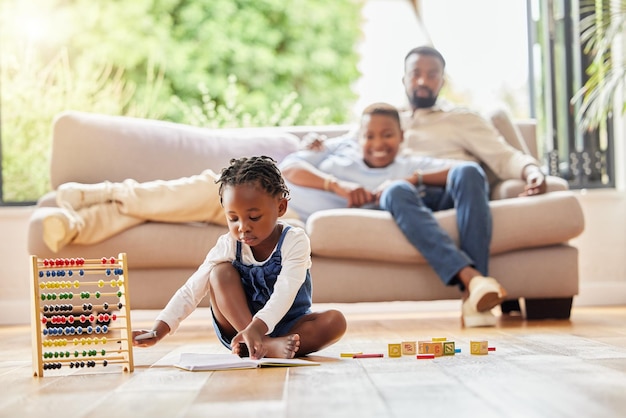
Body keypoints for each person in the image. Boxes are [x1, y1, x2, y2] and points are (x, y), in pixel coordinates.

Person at [279, 102, 506, 327]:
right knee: (396, 191)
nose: (378, 143)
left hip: (414, 206)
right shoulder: (337, 158)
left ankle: (475, 293)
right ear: (359, 138)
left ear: (401, 137)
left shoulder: (407, 164)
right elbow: (289, 168)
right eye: (369, 136)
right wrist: (338, 186)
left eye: (387, 135)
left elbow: (463, 171)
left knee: (465, 172)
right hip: (376, 202)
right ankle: (473, 280)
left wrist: (411, 179)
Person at [131, 156, 346, 359]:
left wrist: (258, 328)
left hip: (288, 324)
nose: (243, 227)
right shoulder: (229, 244)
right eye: (233, 218)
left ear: (281, 207)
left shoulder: (295, 240)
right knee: (219, 273)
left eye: (254, 217)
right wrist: (158, 330)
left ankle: (265, 345)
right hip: (239, 329)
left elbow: (285, 292)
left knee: (335, 321)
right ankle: (262, 345)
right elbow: (192, 289)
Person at [400, 45, 548, 196]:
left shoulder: (462, 119)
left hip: (450, 195)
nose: (422, 81)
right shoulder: (387, 121)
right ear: (404, 79)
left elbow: (504, 157)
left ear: (442, 82)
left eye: (432, 75)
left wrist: (533, 172)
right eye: (415, 74)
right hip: (397, 196)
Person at [42, 169, 301, 253]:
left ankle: (102, 195)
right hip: (261, 193)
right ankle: (76, 224)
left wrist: (332, 184)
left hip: (292, 216)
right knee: (208, 186)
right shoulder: (329, 149)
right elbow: (290, 169)